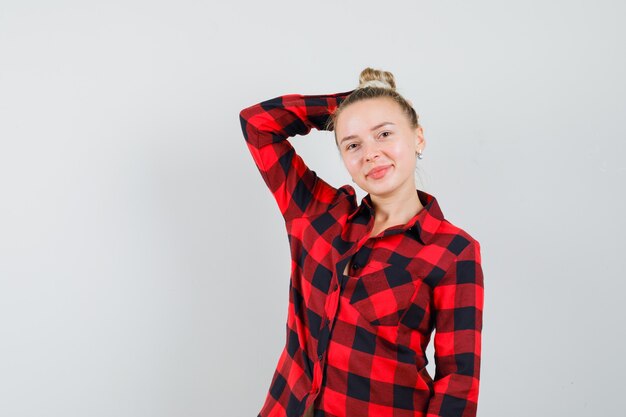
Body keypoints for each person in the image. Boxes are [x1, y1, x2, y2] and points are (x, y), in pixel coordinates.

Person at [239, 68, 484, 417]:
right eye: (353, 144)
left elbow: (457, 385)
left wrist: (376, 105)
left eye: (384, 133)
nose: (370, 153)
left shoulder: (453, 251)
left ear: (418, 138)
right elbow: (258, 125)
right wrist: (351, 105)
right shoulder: (317, 216)